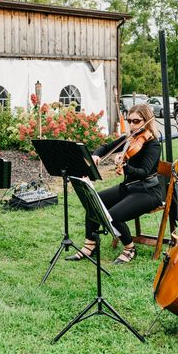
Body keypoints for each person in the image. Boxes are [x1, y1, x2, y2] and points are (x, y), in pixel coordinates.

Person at [66, 103, 162, 265]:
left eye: (136, 121)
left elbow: (144, 172)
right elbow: (105, 147)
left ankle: (129, 248)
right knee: (92, 202)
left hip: (148, 191)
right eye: (129, 120)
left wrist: (126, 167)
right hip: (129, 187)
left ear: (146, 120)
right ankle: (90, 245)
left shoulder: (153, 145)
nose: (132, 125)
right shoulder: (130, 138)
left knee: (112, 215)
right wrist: (96, 155)